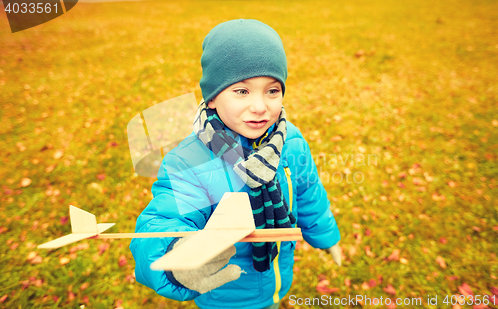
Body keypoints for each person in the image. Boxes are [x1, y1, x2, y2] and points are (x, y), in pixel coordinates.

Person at [130, 19, 341, 309]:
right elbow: (163, 222)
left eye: (272, 90)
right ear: (213, 98)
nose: (259, 106)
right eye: (241, 91)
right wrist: (174, 261)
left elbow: (308, 193)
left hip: (277, 282)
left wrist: (326, 236)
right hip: (226, 295)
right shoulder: (189, 161)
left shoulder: (289, 141)